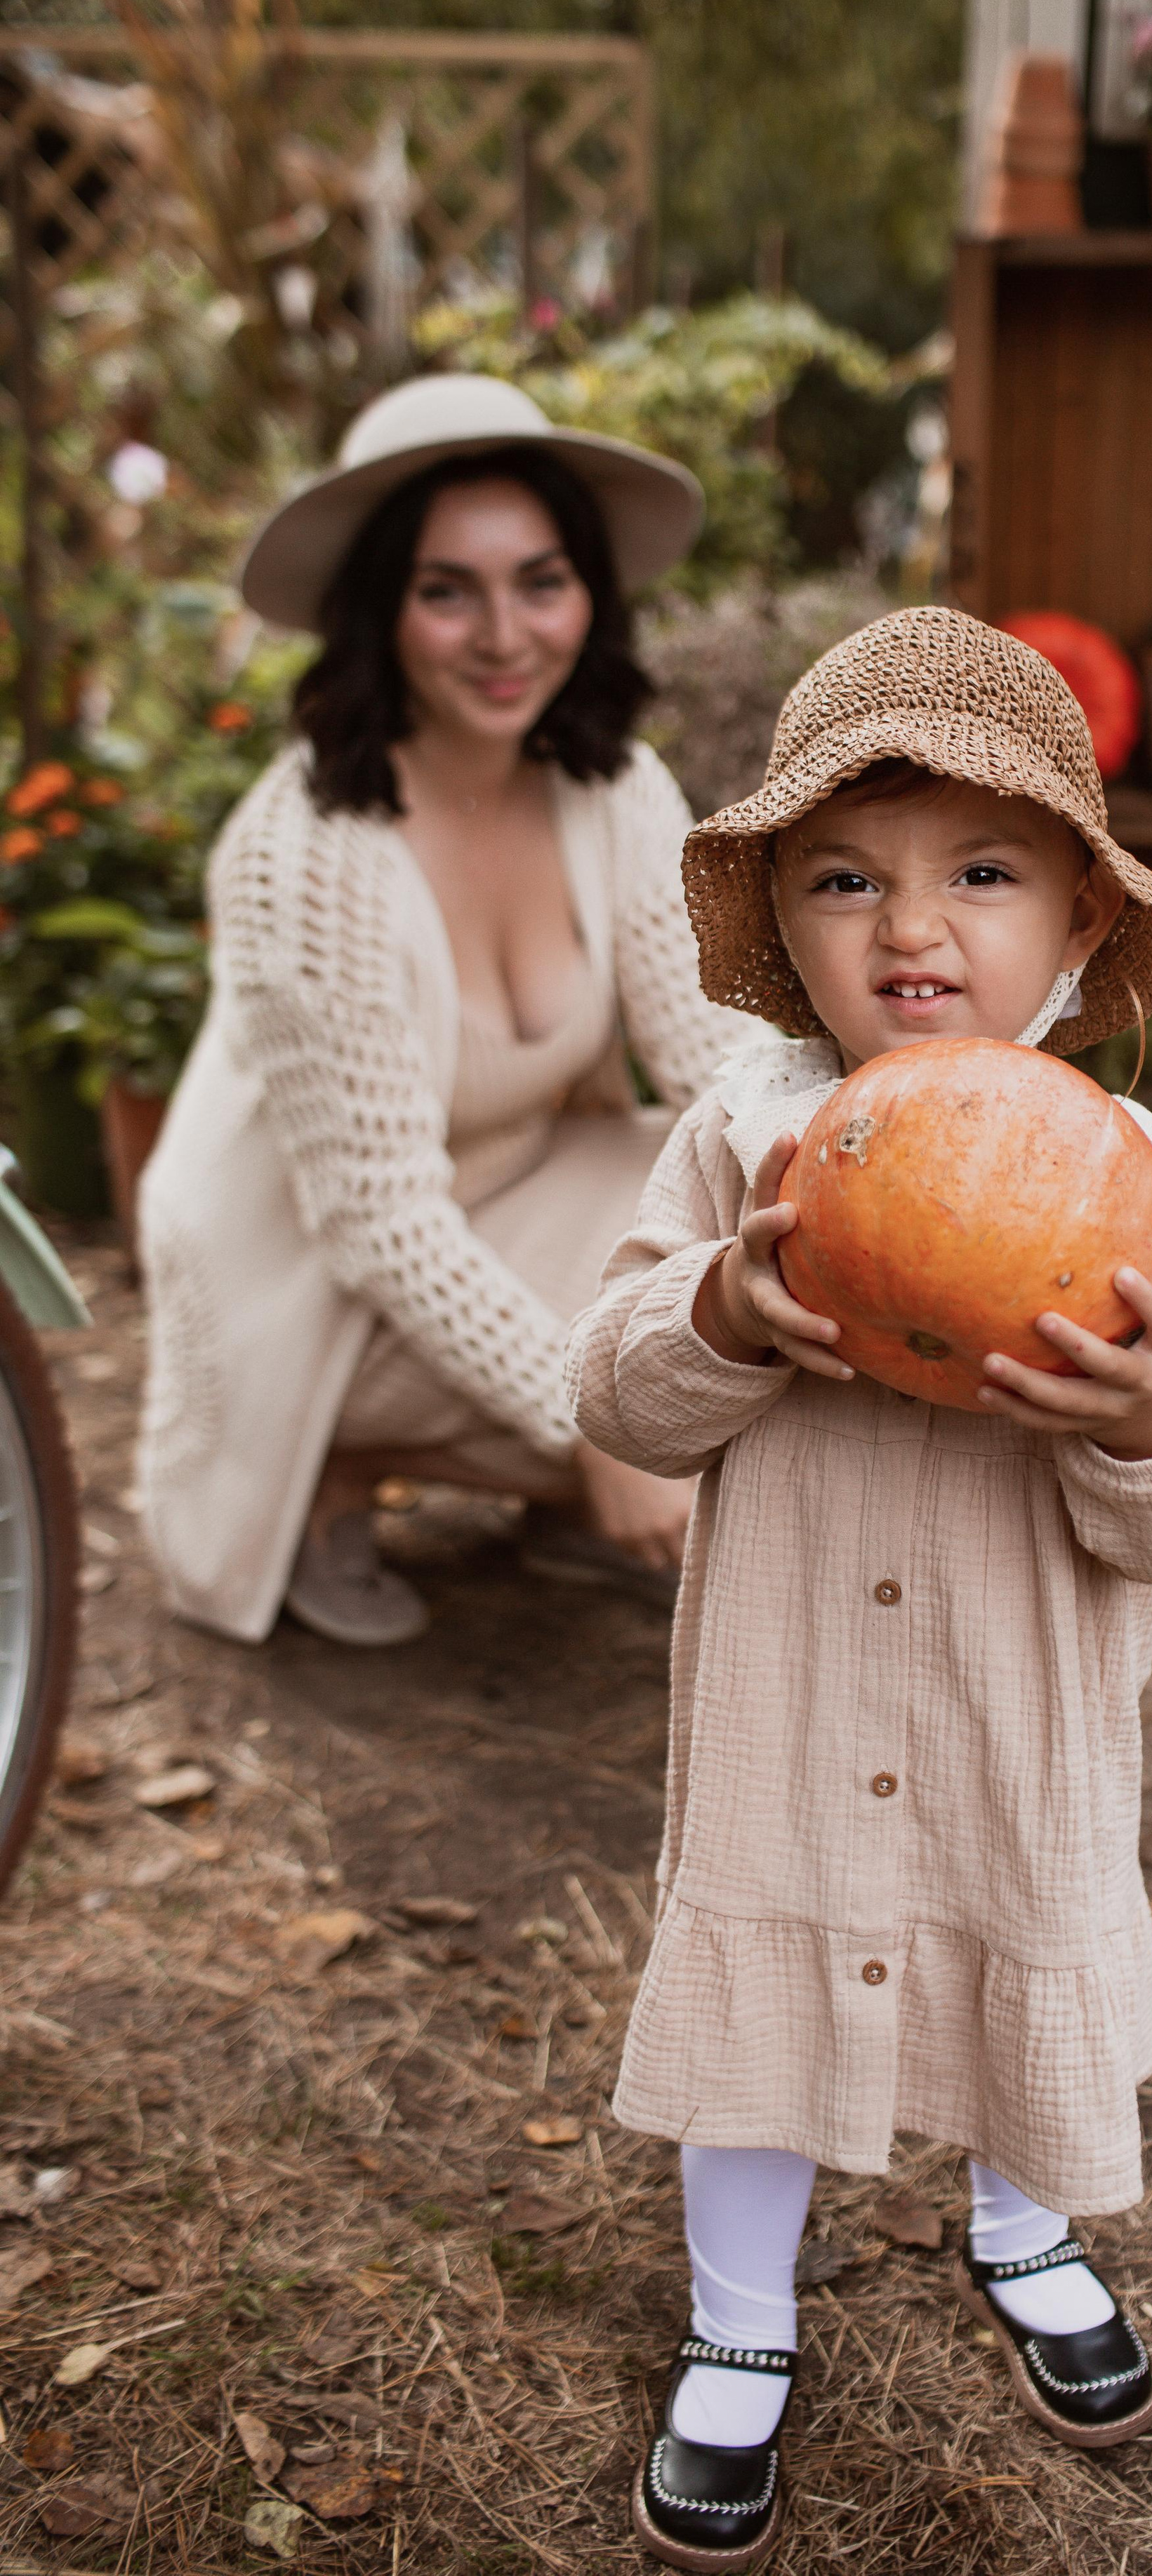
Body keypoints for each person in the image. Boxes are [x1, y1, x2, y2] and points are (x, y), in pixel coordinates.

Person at [566, 608, 1152, 2570]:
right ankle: (741, 2321)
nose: (912, 927)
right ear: (782, 923)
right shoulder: (745, 1141)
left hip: (1013, 1721)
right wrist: (726, 1306)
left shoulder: (1141, 1182)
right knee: (760, 2000)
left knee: (1019, 1958)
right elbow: (614, 1389)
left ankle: (1028, 2232)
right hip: (790, 1713)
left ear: (1073, 926)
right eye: (846, 879)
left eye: (980, 872)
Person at [137, 374, 750, 1648]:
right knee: (665, 1334)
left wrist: (883, 1171)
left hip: (508, 1188)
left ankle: (565, 1491)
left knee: (748, 1230)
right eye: (445, 591)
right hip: (311, 1277)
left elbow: (718, 1063)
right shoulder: (304, 851)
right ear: (379, 612)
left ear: (590, 591)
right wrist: (606, 1427)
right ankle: (325, 1476)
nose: (504, 634)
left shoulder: (613, 785)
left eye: (541, 581)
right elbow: (378, 1229)